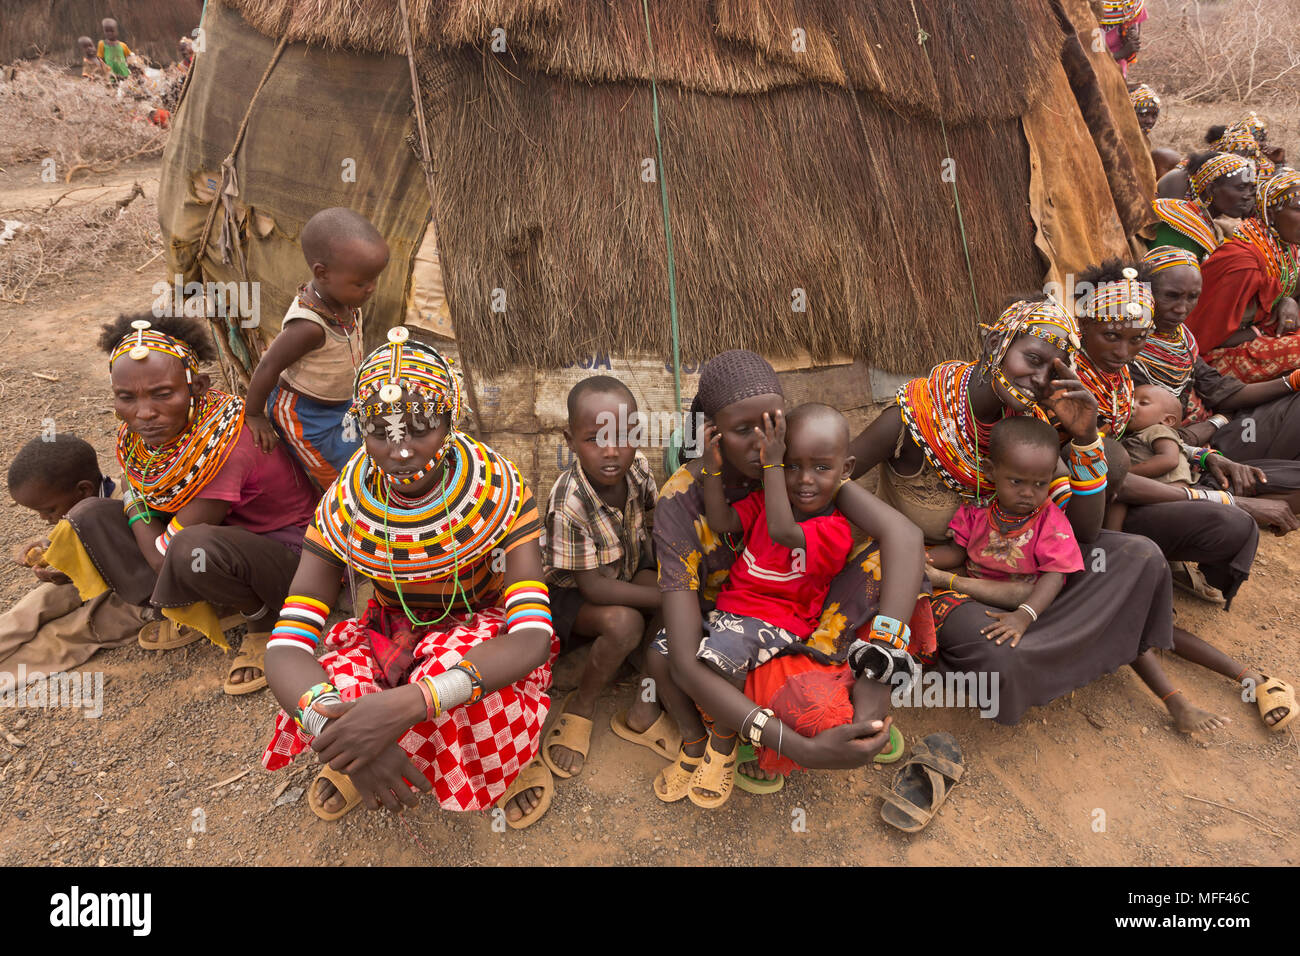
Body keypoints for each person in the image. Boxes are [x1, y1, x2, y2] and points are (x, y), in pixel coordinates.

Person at [262, 329, 558, 828]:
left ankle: (505, 767)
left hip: (479, 624)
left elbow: (531, 634)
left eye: (422, 427)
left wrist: (413, 701)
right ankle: (363, 753)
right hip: (391, 625)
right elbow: (287, 645)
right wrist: (336, 730)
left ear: (452, 417)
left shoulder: (497, 488)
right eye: (381, 430)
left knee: (454, 677)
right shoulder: (346, 503)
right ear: (359, 428)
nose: (400, 450)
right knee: (340, 688)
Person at [848, 298, 1178, 726]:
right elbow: (834, 478)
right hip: (934, 578)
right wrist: (895, 535)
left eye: (1054, 370)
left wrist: (1084, 439)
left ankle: (1037, 635)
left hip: (1019, 576)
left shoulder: (1031, 426)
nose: (1040, 378)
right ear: (995, 342)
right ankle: (1059, 642)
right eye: (1034, 359)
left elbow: (1084, 535)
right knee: (1000, 658)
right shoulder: (918, 416)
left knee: (1140, 557)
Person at [651, 350, 929, 799]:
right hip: (727, 633)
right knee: (820, 721)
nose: (763, 444)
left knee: (900, 566)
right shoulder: (682, 499)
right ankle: (752, 735)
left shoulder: (802, 468)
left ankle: (861, 690)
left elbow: (905, 537)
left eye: (771, 424)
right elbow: (684, 659)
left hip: (799, 625)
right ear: (712, 434)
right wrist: (803, 749)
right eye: (743, 431)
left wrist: (878, 677)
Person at [42, 314, 316, 695]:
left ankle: (262, 621)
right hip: (223, 542)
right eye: (127, 397)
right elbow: (147, 492)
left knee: (189, 547)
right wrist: (126, 501)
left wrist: (133, 495)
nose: (144, 412)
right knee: (86, 516)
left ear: (197, 387)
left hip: (287, 561)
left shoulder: (230, 446)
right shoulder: (140, 438)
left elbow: (162, 553)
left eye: (162, 393)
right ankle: (186, 605)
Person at [649, 403, 858, 808]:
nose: (804, 480)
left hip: (777, 620)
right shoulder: (766, 501)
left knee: (718, 659)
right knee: (659, 656)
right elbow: (722, 520)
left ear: (847, 469)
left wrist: (774, 466)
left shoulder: (834, 530)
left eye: (821, 468)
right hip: (730, 613)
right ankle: (695, 741)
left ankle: (724, 746)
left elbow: (782, 530)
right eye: (793, 467)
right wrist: (710, 469)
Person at [1071, 259, 1293, 609]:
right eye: (1112, 336)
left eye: (1137, 339)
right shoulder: (1074, 384)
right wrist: (1230, 499)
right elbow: (1111, 475)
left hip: (1156, 477)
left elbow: (1153, 438)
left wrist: (1207, 456)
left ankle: (1151, 557)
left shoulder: (1121, 379)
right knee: (1234, 521)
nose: (1123, 352)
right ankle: (1129, 560)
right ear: (1083, 325)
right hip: (1102, 505)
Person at [540, 375, 670, 779]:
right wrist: (669, 598)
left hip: (626, 573)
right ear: (571, 439)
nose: (612, 451)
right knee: (630, 619)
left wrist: (668, 584)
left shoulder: (639, 470)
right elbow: (593, 588)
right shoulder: (569, 501)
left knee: (675, 586)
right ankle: (582, 703)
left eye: (623, 436)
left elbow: (655, 521)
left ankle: (645, 698)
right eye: (595, 439)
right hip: (572, 596)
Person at [244, 208, 385, 491]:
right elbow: (268, 366)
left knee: (361, 456)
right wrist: (254, 414)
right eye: (361, 282)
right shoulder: (308, 327)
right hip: (305, 416)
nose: (371, 289)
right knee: (336, 475)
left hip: (341, 404)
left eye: (374, 279)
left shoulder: (345, 301)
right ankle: (335, 515)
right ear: (322, 273)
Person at [1133, 245, 1300, 469]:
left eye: (1193, 297)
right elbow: (1147, 434)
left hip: (1216, 432)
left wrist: (1292, 382)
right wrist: (1218, 421)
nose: (1182, 309)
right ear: (1143, 291)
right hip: (1189, 450)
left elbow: (1220, 390)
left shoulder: (1181, 339)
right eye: (1171, 296)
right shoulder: (1127, 348)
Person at [924, 416, 1083, 650]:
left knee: (1028, 593)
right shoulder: (977, 510)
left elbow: (1055, 576)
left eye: (1040, 484)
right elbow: (957, 553)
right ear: (990, 471)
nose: (1028, 493)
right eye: (1017, 482)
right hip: (974, 588)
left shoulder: (1050, 521)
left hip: (1023, 599)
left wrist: (1024, 616)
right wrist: (923, 560)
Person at [2, 436, 147, 684]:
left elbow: (144, 569)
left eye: (48, 510)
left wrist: (82, 569)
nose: (43, 518)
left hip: (141, 598)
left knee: (69, 633)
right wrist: (53, 549)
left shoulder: (130, 506)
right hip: (103, 579)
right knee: (39, 602)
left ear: (84, 490)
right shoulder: (79, 502)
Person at [1186, 169, 1300, 384]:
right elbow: (1203, 336)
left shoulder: (1285, 247)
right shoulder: (1241, 263)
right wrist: (1260, 331)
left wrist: (1288, 300)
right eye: (1298, 209)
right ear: (1271, 213)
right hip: (1211, 359)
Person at [1151, 153, 1255, 261]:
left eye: (1252, 188)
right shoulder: (1182, 225)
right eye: (1241, 187)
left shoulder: (1206, 224)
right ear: (1211, 190)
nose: (1248, 196)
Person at [1099, 0, 1147, 76]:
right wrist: (1121, 53)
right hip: (1095, 76)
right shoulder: (1088, 11)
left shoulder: (1133, 4)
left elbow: (1135, 26)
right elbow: (1090, 59)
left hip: (1120, 72)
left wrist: (1132, 36)